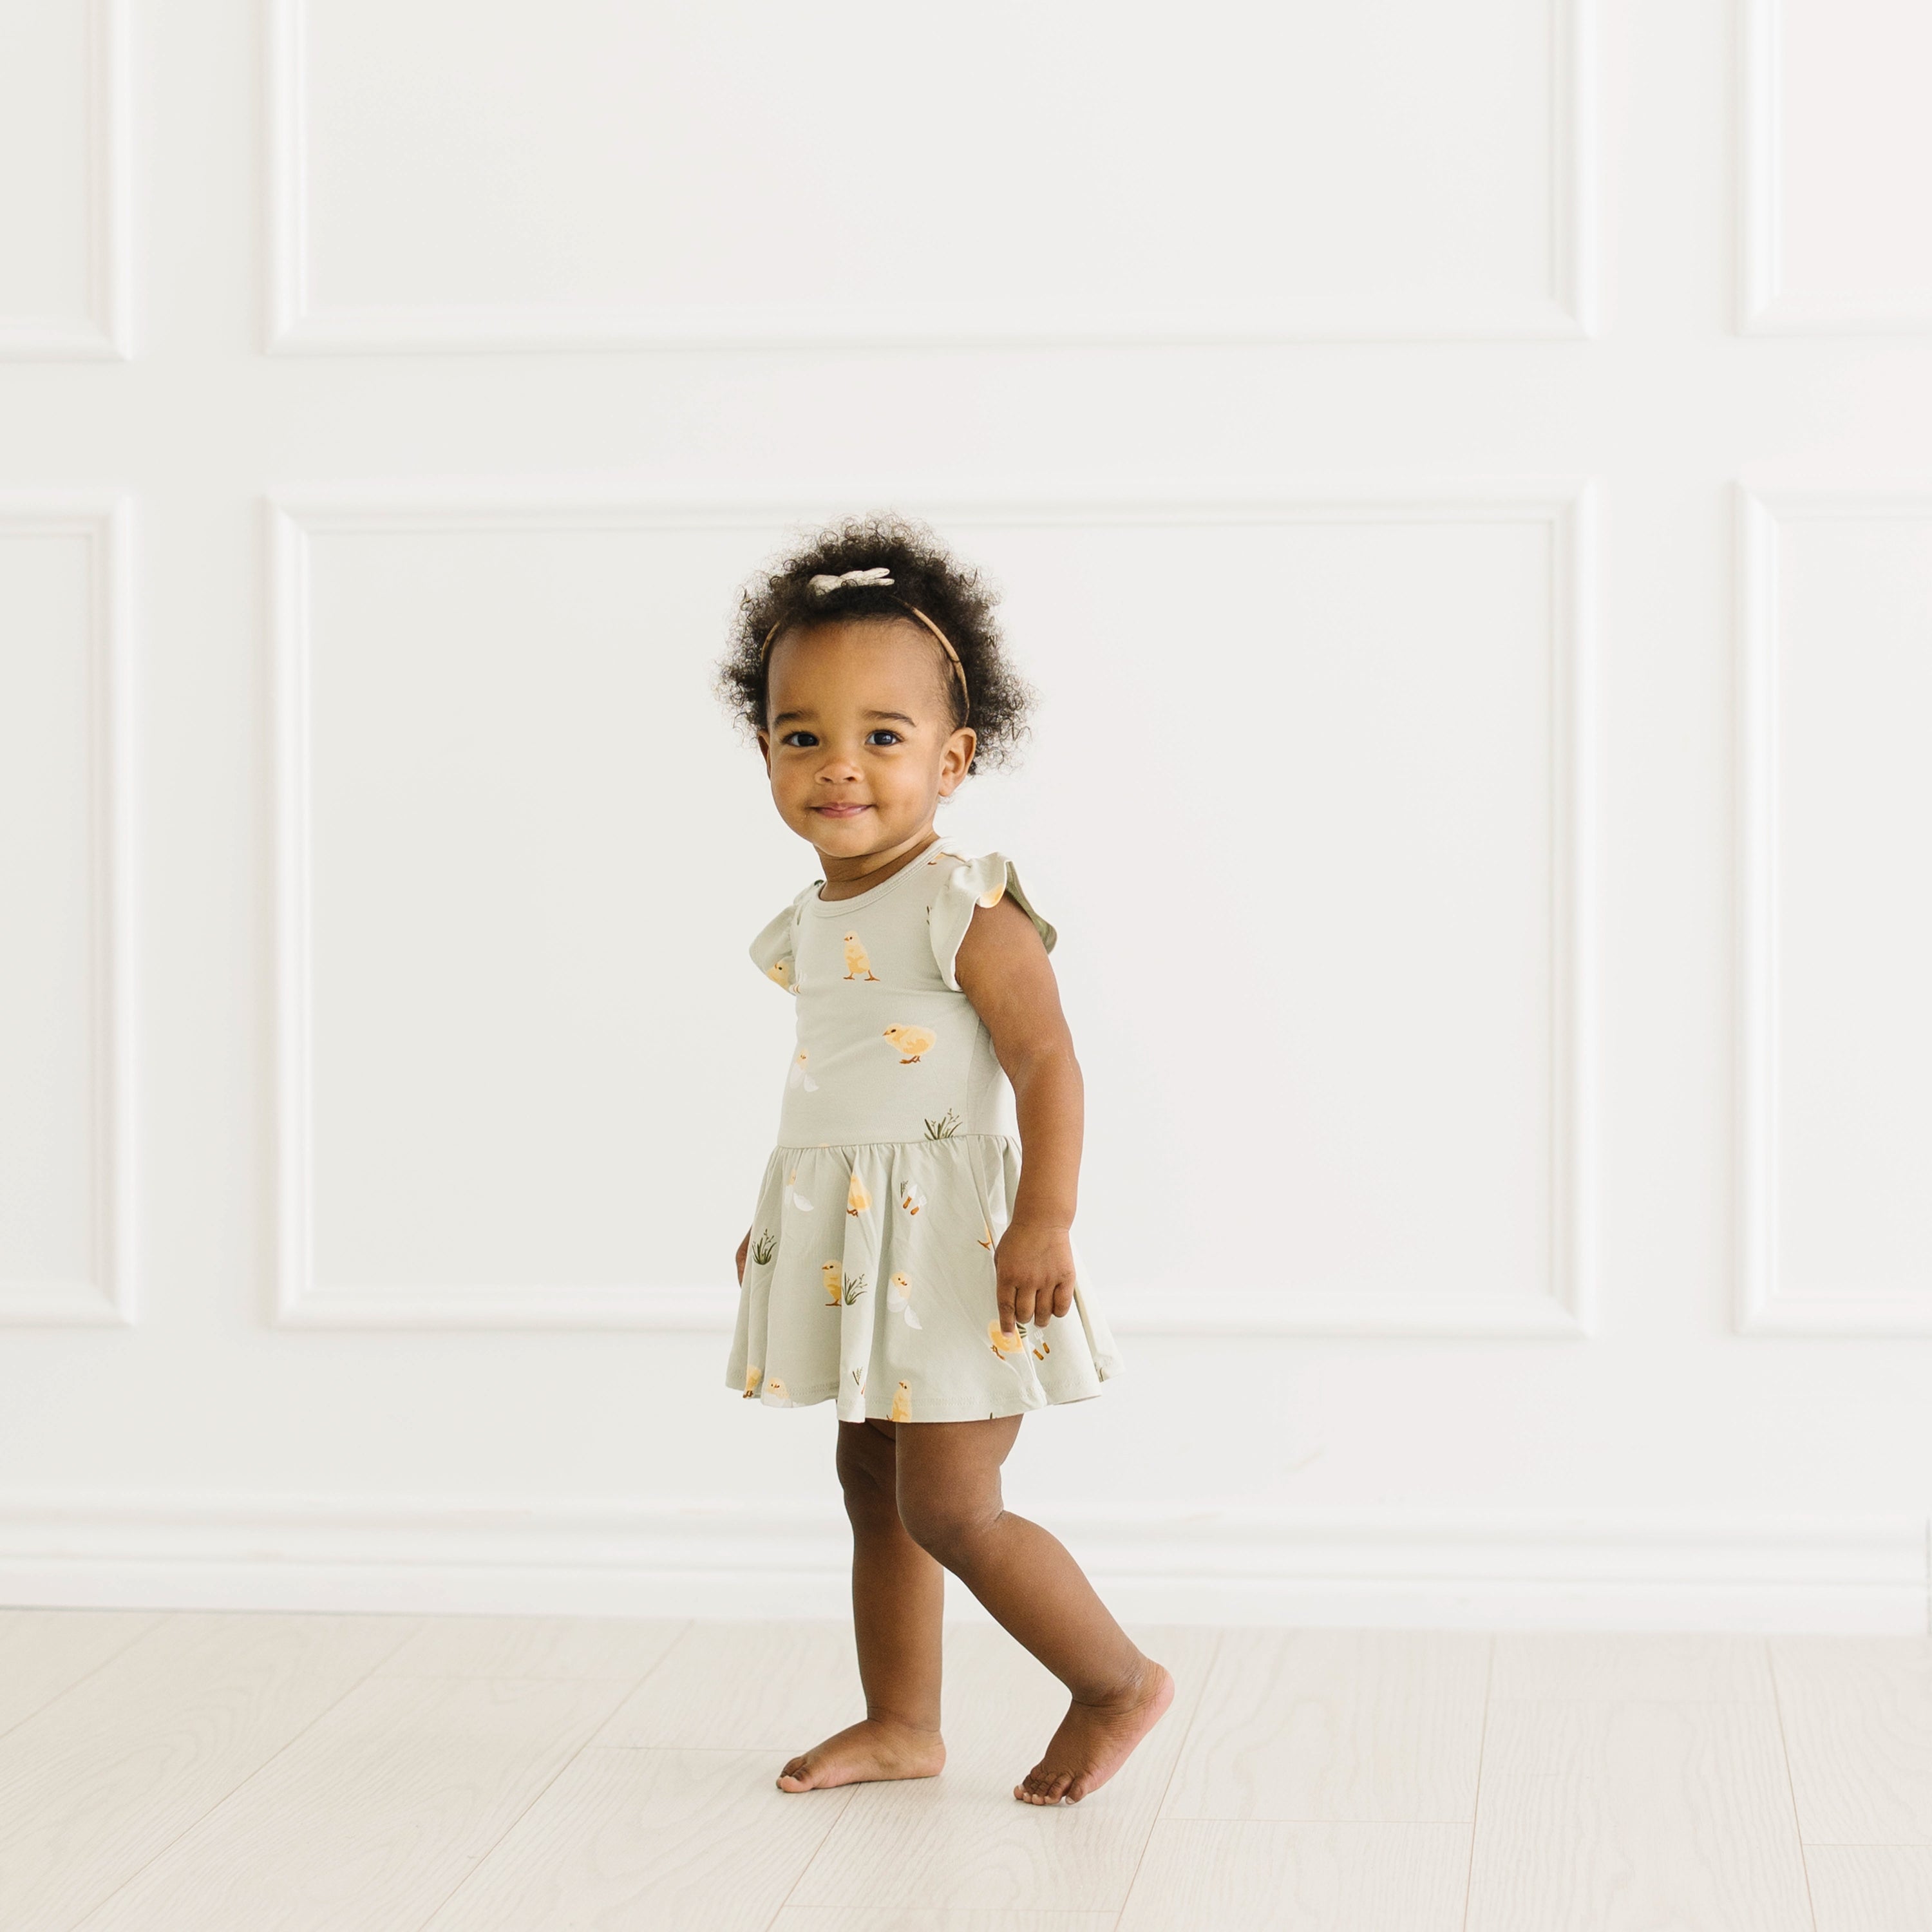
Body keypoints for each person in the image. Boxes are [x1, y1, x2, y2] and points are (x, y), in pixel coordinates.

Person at [714, 512, 1173, 1806]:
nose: (838, 766)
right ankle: (903, 1723)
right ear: (765, 752)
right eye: (803, 736)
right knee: (872, 1481)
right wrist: (784, 1225)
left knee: (952, 1505)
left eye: (882, 737)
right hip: (860, 1238)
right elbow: (835, 1086)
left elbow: (1048, 1066)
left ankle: (1114, 1682)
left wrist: (1048, 1218)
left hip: (962, 1247)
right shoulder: (808, 922)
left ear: (956, 758)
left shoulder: (966, 902)